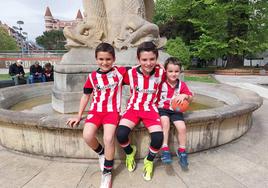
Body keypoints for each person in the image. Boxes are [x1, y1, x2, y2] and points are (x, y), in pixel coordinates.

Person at [66, 43, 127, 188]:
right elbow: (85, 96)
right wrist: (78, 115)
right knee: (87, 136)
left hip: (112, 112)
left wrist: (159, 68)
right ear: (96, 59)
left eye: (108, 59)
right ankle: (101, 153)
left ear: (114, 59)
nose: (104, 62)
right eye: (101, 59)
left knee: (108, 138)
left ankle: (107, 173)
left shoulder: (120, 72)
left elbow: (141, 70)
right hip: (95, 111)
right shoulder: (92, 77)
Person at [116, 41, 165, 181]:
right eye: (144, 60)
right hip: (133, 108)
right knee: (120, 134)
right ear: (138, 59)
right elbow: (110, 74)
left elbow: (174, 82)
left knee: (158, 138)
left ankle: (149, 161)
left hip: (150, 109)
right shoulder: (130, 73)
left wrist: (184, 95)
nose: (148, 63)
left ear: (157, 59)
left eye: (152, 59)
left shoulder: (161, 72)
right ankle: (130, 152)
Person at [157, 57, 193, 170]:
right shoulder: (161, 81)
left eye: (176, 71)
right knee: (165, 123)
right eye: (170, 71)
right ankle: (165, 148)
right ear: (166, 71)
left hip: (176, 111)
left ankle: (182, 150)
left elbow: (191, 96)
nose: (173, 74)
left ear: (180, 72)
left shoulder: (181, 85)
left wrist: (185, 96)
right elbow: (155, 67)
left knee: (182, 128)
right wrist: (159, 64)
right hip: (163, 109)